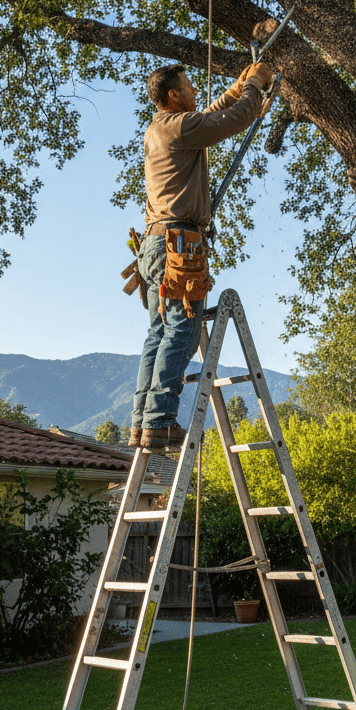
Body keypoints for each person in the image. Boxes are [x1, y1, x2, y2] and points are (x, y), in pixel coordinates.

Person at [129, 61, 274, 449]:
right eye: (190, 87)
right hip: (179, 246)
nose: (195, 92)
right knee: (182, 328)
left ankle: (143, 421)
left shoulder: (163, 127)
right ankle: (160, 419)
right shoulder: (178, 127)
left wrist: (239, 85)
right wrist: (255, 86)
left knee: (159, 331)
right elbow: (234, 120)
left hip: (156, 245)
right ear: (174, 95)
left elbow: (211, 115)